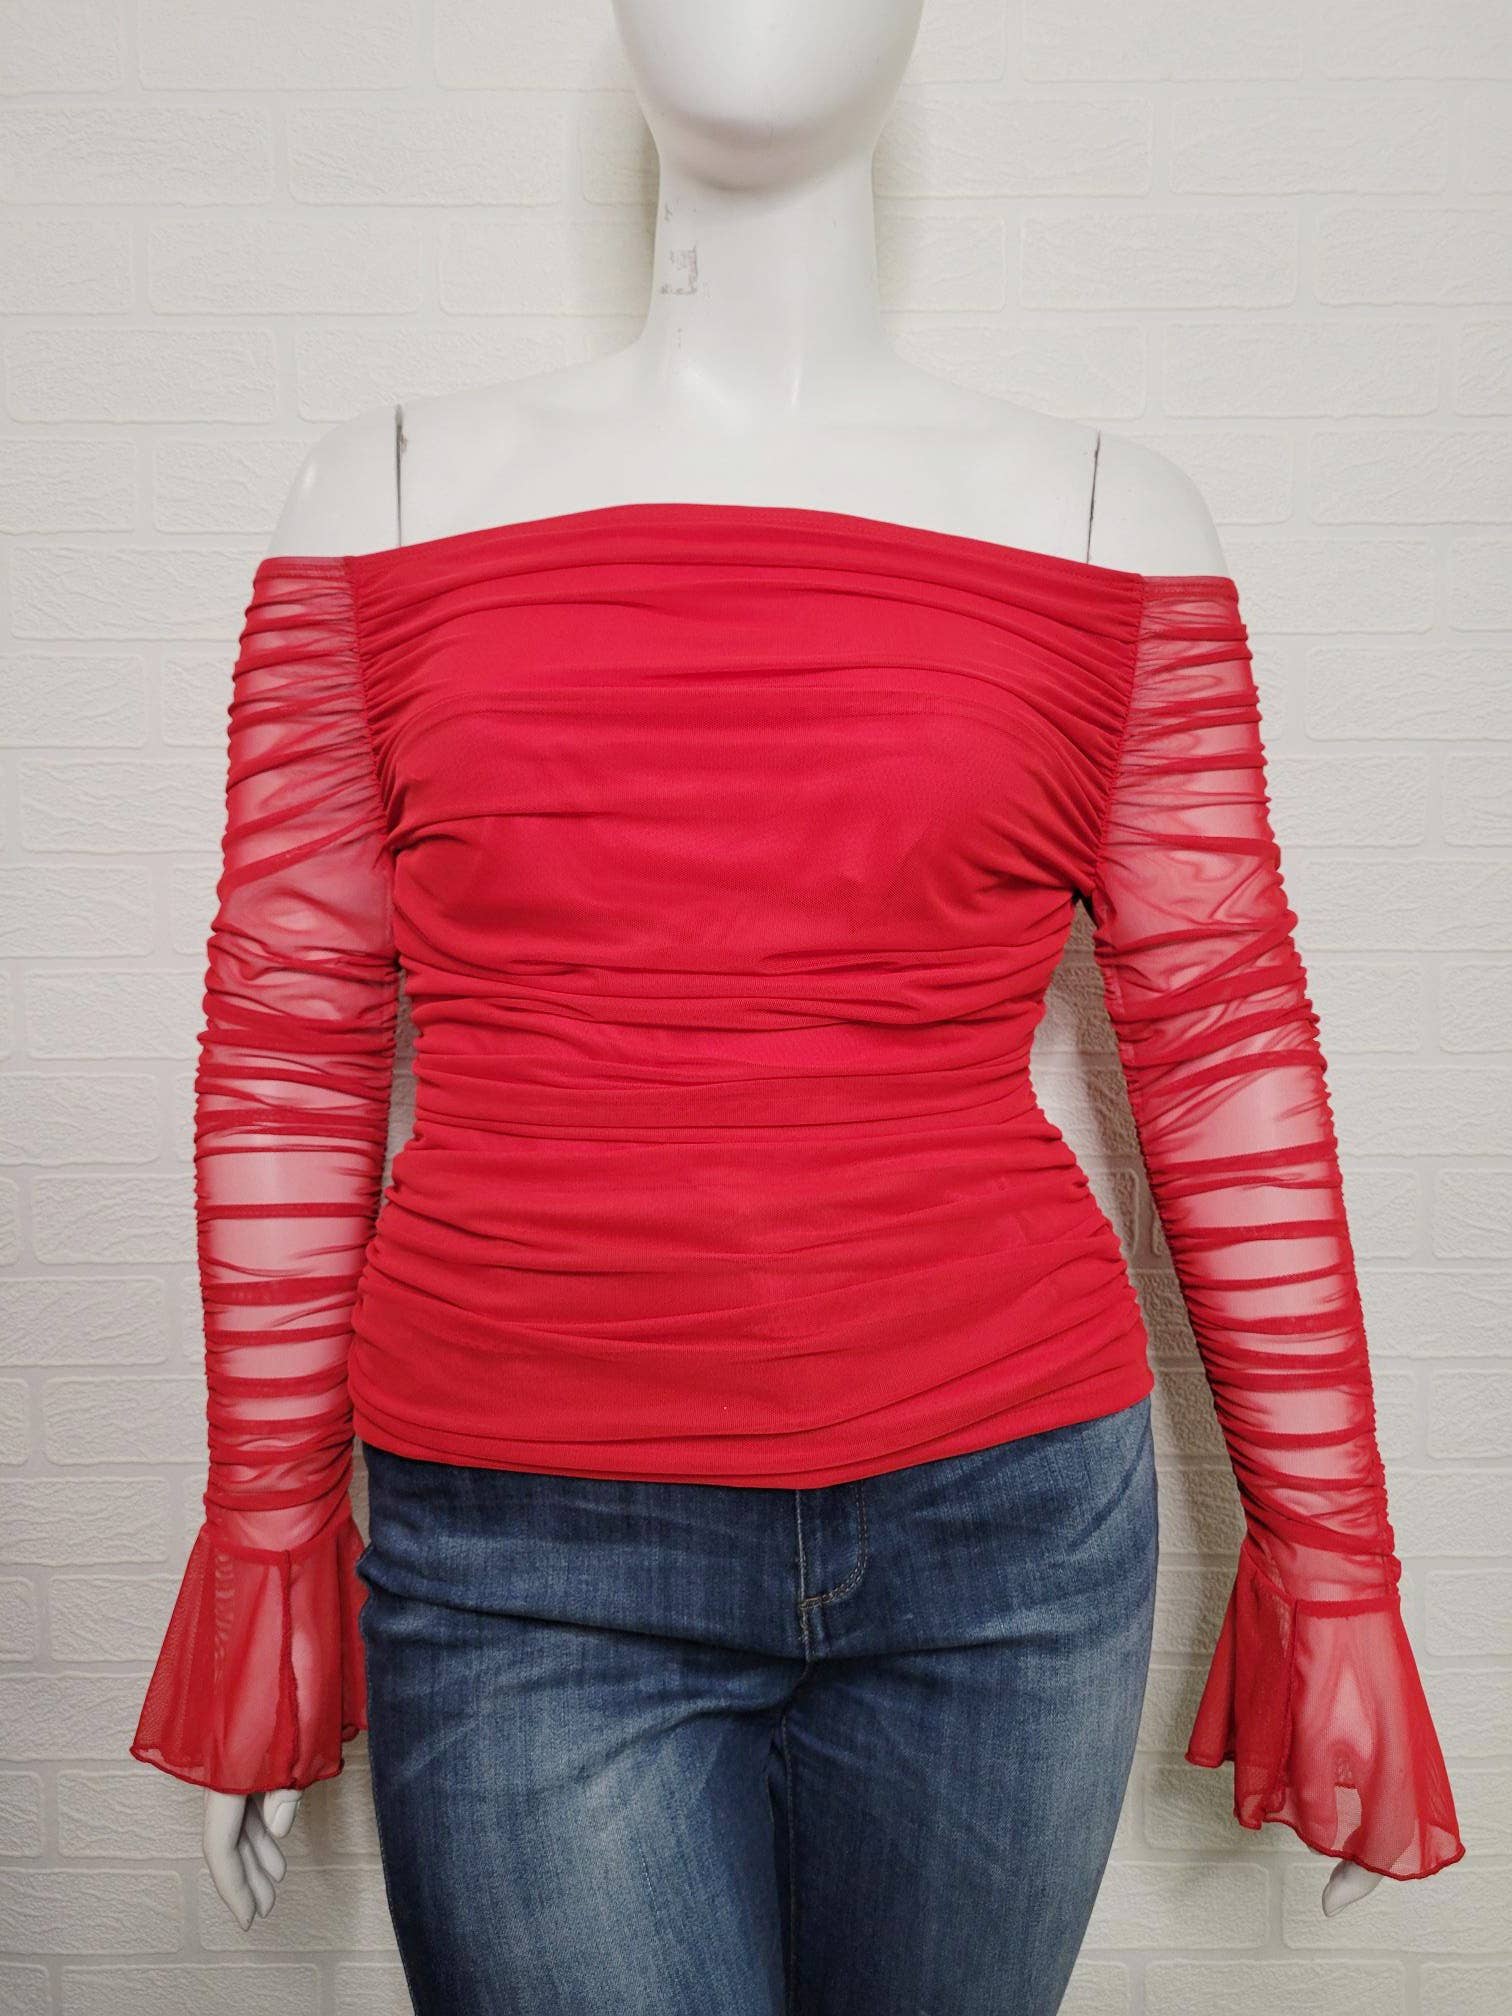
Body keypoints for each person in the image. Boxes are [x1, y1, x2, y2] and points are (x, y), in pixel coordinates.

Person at [130, 4, 1463, 2011]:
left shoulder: (1108, 515)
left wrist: (1336, 1561)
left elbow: (1225, 1050)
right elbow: (290, 1042)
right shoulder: (381, 494)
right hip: (525, 1553)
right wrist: (263, 1537)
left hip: (1006, 1535)